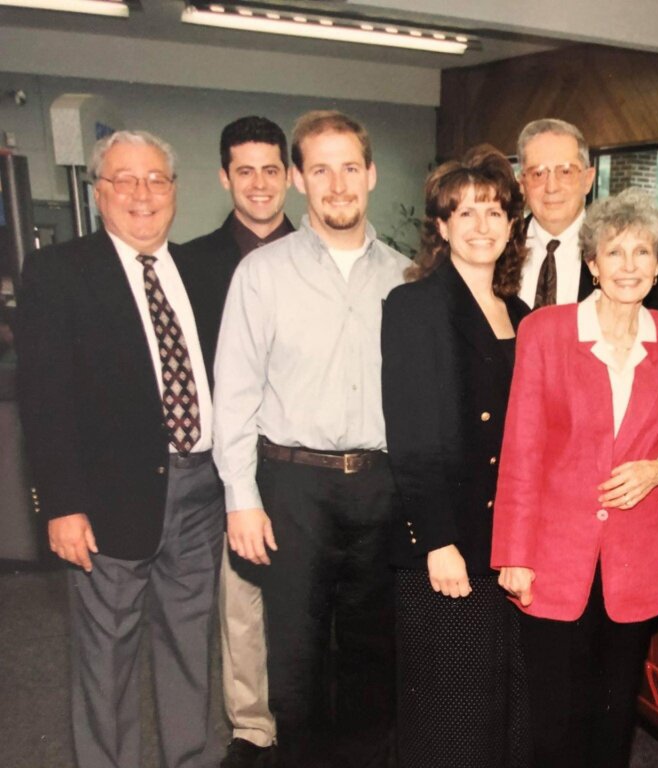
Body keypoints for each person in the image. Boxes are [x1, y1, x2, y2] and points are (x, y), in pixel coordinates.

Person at [17, 130, 230, 768]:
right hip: (108, 502)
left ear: (175, 190)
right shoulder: (59, 272)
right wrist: (62, 504)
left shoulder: (201, 271)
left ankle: (188, 759)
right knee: (107, 655)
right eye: (125, 180)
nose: (143, 194)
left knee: (190, 645)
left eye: (156, 179)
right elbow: (44, 400)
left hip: (201, 491)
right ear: (98, 191)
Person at [213, 110, 407, 768]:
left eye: (350, 167)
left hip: (380, 487)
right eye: (320, 170)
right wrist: (241, 498)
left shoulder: (406, 277)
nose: (337, 184)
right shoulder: (262, 274)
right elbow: (234, 393)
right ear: (299, 180)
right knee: (296, 661)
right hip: (292, 489)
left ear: (371, 174)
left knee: (372, 656)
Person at [492, 187, 658, 768]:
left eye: (642, 252)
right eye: (614, 252)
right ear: (593, 264)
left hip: (634, 563)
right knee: (554, 724)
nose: (628, 265)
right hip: (553, 558)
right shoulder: (546, 332)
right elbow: (521, 448)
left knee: (614, 718)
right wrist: (514, 554)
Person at [381, 146, 531, 768]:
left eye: (493, 211)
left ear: (511, 225)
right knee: (448, 716)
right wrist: (438, 541)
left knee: (498, 708)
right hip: (446, 545)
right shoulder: (414, 306)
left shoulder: (521, 314)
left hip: (505, 544)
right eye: (464, 212)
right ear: (441, 227)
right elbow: (411, 435)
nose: (481, 225)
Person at [183, 115, 294, 768]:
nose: (258, 183)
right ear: (225, 177)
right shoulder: (191, 264)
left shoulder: (318, 255)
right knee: (242, 602)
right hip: (226, 464)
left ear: (290, 177)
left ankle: (306, 717)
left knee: (311, 599)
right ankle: (252, 728)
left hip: (304, 460)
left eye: (270, 170)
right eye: (244, 170)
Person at [516, 118, 658, 314]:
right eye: (538, 174)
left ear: (588, 179)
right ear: (522, 184)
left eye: (565, 172)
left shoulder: (623, 251)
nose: (552, 187)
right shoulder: (499, 249)